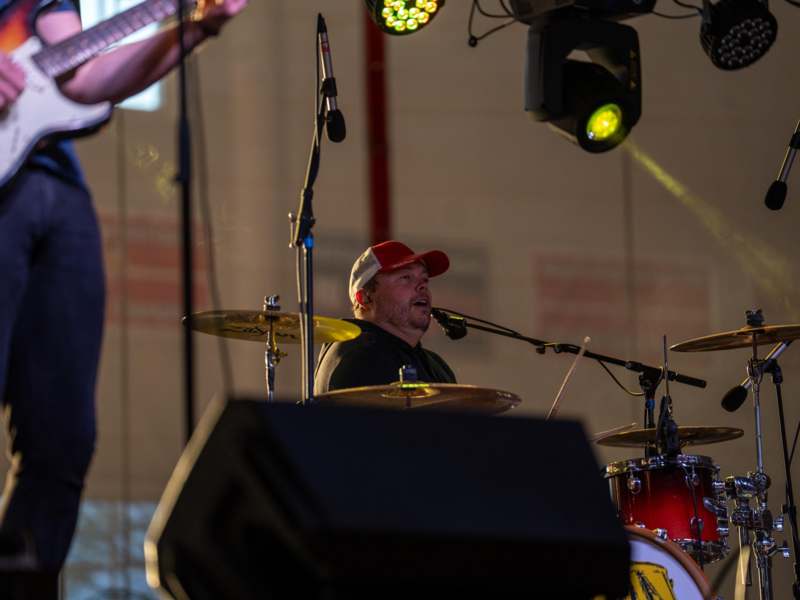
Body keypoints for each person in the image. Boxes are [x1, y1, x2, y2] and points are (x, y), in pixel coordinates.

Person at [0, 0, 248, 579]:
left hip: (53, 188)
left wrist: (195, 26)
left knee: (64, 433)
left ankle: (24, 579)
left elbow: (86, 78)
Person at [314, 240, 457, 394]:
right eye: (405, 277)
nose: (422, 286)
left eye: (424, 279)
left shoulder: (436, 365)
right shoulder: (359, 355)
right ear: (365, 298)